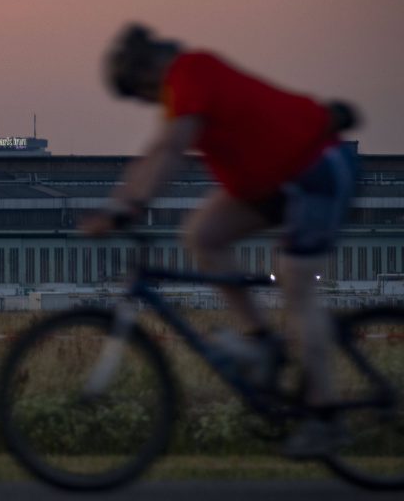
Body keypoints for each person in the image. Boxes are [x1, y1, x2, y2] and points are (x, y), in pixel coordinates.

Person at [82, 23, 359, 458]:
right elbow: (157, 152)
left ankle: (327, 418)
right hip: (274, 182)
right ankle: (261, 341)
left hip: (315, 168)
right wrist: (116, 205)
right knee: (201, 235)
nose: (145, 102)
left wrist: (129, 206)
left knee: (296, 284)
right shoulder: (180, 93)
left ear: (147, 74)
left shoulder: (192, 72)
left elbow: (171, 151)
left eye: (139, 93)